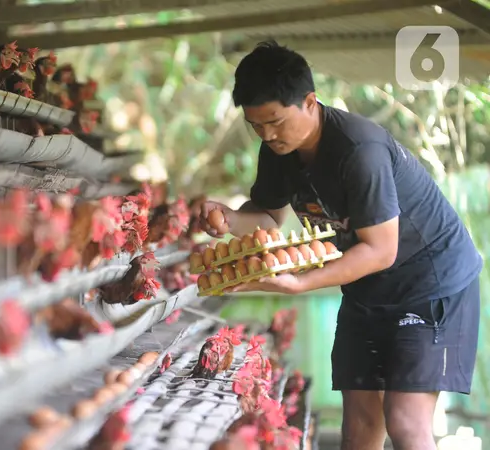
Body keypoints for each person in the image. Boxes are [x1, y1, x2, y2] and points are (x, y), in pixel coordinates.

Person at [200, 41, 482, 450]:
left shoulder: (359, 151)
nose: (267, 134)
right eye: (256, 125)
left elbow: (381, 249)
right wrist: (228, 218)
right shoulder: (279, 149)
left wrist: (299, 283)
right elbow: (268, 217)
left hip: (431, 286)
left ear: (310, 101)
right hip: (369, 287)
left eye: (276, 121)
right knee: (360, 428)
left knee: (405, 422)